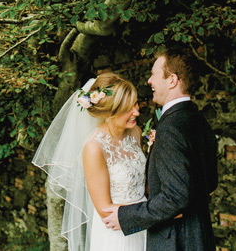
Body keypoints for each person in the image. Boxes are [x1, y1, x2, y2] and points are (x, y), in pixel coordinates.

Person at [101, 48, 218, 251]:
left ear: (172, 80)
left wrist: (127, 217)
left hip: (175, 241)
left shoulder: (170, 128)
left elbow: (176, 196)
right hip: (200, 235)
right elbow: (210, 181)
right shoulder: (198, 120)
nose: (149, 81)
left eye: (154, 74)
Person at [33, 72, 147, 251]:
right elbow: (104, 210)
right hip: (119, 234)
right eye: (128, 109)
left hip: (146, 223)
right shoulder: (94, 148)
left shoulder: (136, 132)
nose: (137, 112)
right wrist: (151, 214)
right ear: (110, 112)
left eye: (136, 104)